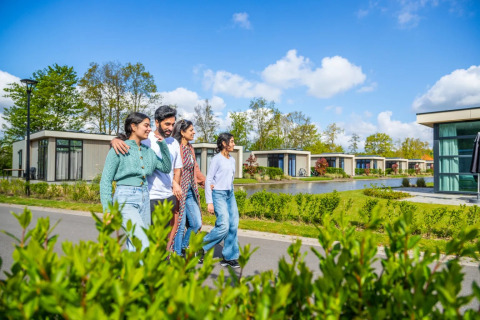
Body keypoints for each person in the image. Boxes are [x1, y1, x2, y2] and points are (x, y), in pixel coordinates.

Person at [111, 106, 183, 251]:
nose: (171, 128)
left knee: (162, 239)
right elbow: (127, 141)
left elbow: (176, 168)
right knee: (144, 239)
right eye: (167, 124)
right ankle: (138, 269)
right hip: (150, 197)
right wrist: (114, 140)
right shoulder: (146, 138)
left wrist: (176, 183)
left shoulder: (174, 143)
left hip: (168, 196)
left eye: (172, 124)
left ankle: (158, 269)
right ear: (157, 122)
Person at [200, 133, 240, 268]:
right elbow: (209, 180)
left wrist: (231, 191)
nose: (234, 144)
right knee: (224, 225)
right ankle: (201, 246)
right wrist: (209, 201)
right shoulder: (216, 159)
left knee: (233, 224)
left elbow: (230, 179)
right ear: (224, 143)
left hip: (230, 194)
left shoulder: (232, 160)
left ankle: (229, 257)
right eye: (232, 141)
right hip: (218, 194)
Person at [170, 120, 205, 256]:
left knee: (196, 223)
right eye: (191, 130)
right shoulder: (174, 147)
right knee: (179, 224)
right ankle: (177, 254)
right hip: (179, 192)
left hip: (190, 191)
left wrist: (204, 182)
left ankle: (184, 245)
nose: (194, 132)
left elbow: (195, 169)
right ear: (182, 132)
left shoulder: (190, 148)